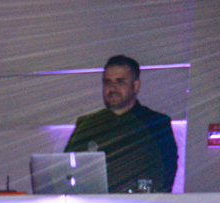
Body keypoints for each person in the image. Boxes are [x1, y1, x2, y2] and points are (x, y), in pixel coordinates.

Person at [65, 54, 178, 193]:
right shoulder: (86, 125)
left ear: (135, 86)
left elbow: (166, 176)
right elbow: (65, 170)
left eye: (120, 82)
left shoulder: (156, 124)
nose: (112, 88)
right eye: (107, 82)